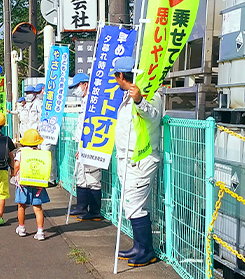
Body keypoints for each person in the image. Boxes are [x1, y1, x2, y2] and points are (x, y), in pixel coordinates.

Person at [112, 56, 162, 267]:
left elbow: (153, 116)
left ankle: (146, 250)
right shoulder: (126, 95)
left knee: (135, 206)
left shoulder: (149, 93)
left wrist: (140, 100)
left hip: (140, 160)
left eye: (115, 75)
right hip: (126, 159)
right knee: (130, 204)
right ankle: (138, 246)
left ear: (121, 75)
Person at [66, 73, 103, 221]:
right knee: (81, 175)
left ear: (85, 84)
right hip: (83, 145)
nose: (76, 89)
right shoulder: (84, 100)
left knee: (93, 177)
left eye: (77, 86)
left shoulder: (93, 101)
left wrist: (84, 147)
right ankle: (82, 206)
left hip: (92, 145)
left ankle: (94, 211)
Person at [13, 129, 50, 241]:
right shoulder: (41, 153)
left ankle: (22, 228)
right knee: (38, 208)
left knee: (21, 206)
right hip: (38, 184)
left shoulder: (21, 153)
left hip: (23, 183)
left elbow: (16, 165)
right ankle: (40, 232)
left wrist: (15, 175)